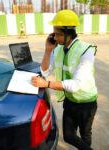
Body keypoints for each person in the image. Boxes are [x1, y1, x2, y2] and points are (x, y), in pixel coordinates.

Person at [31, 9, 98, 150]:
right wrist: (48, 50)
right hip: (70, 101)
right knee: (68, 136)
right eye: (54, 33)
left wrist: (46, 83)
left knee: (85, 135)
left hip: (86, 103)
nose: (54, 37)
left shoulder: (86, 51)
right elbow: (45, 70)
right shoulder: (58, 49)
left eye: (58, 34)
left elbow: (75, 85)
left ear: (68, 34)